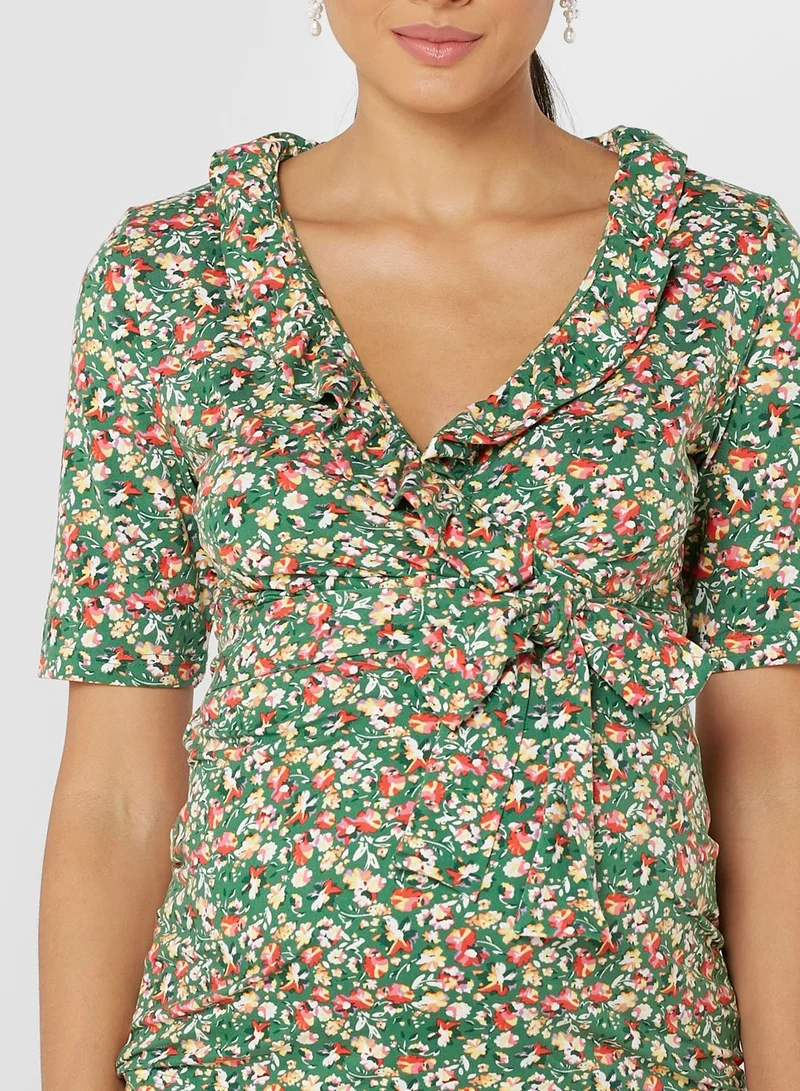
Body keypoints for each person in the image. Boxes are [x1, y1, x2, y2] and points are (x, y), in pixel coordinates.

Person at [37, 2, 800, 1090]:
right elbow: (113, 787)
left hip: (620, 1054)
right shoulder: (169, 278)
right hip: (248, 1058)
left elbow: (771, 766)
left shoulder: (723, 266)